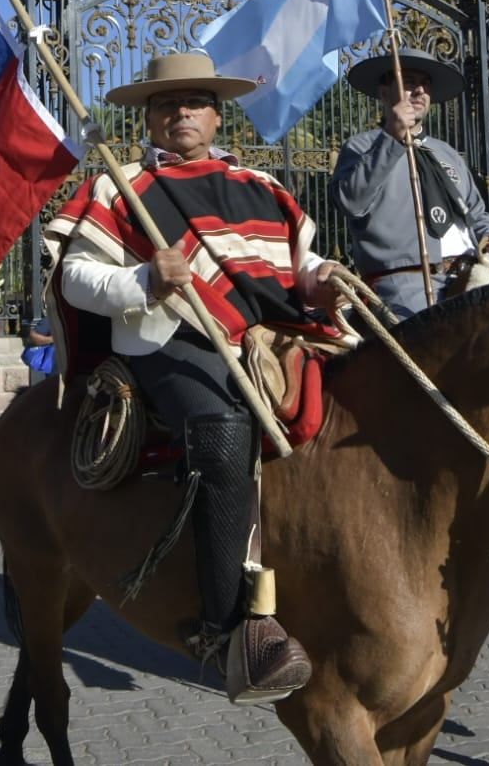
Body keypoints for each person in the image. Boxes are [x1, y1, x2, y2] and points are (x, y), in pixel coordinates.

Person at [44, 50, 344, 704]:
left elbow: (299, 264)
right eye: (166, 104)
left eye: (196, 102)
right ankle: (226, 626)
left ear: (216, 116)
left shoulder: (262, 188)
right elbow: (74, 277)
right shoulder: (118, 187)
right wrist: (145, 280)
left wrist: (319, 281)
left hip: (269, 336)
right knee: (219, 431)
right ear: (148, 116)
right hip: (168, 337)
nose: (181, 113)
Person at [329, 49, 489, 320]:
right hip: (405, 284)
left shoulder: (447, 152)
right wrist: (392, 137)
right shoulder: (361, 147)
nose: (419, 90)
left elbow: (475, 212)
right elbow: (350, 202)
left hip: (472, 275)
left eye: (425, 84)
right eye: (408, 81)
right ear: (384, 93)